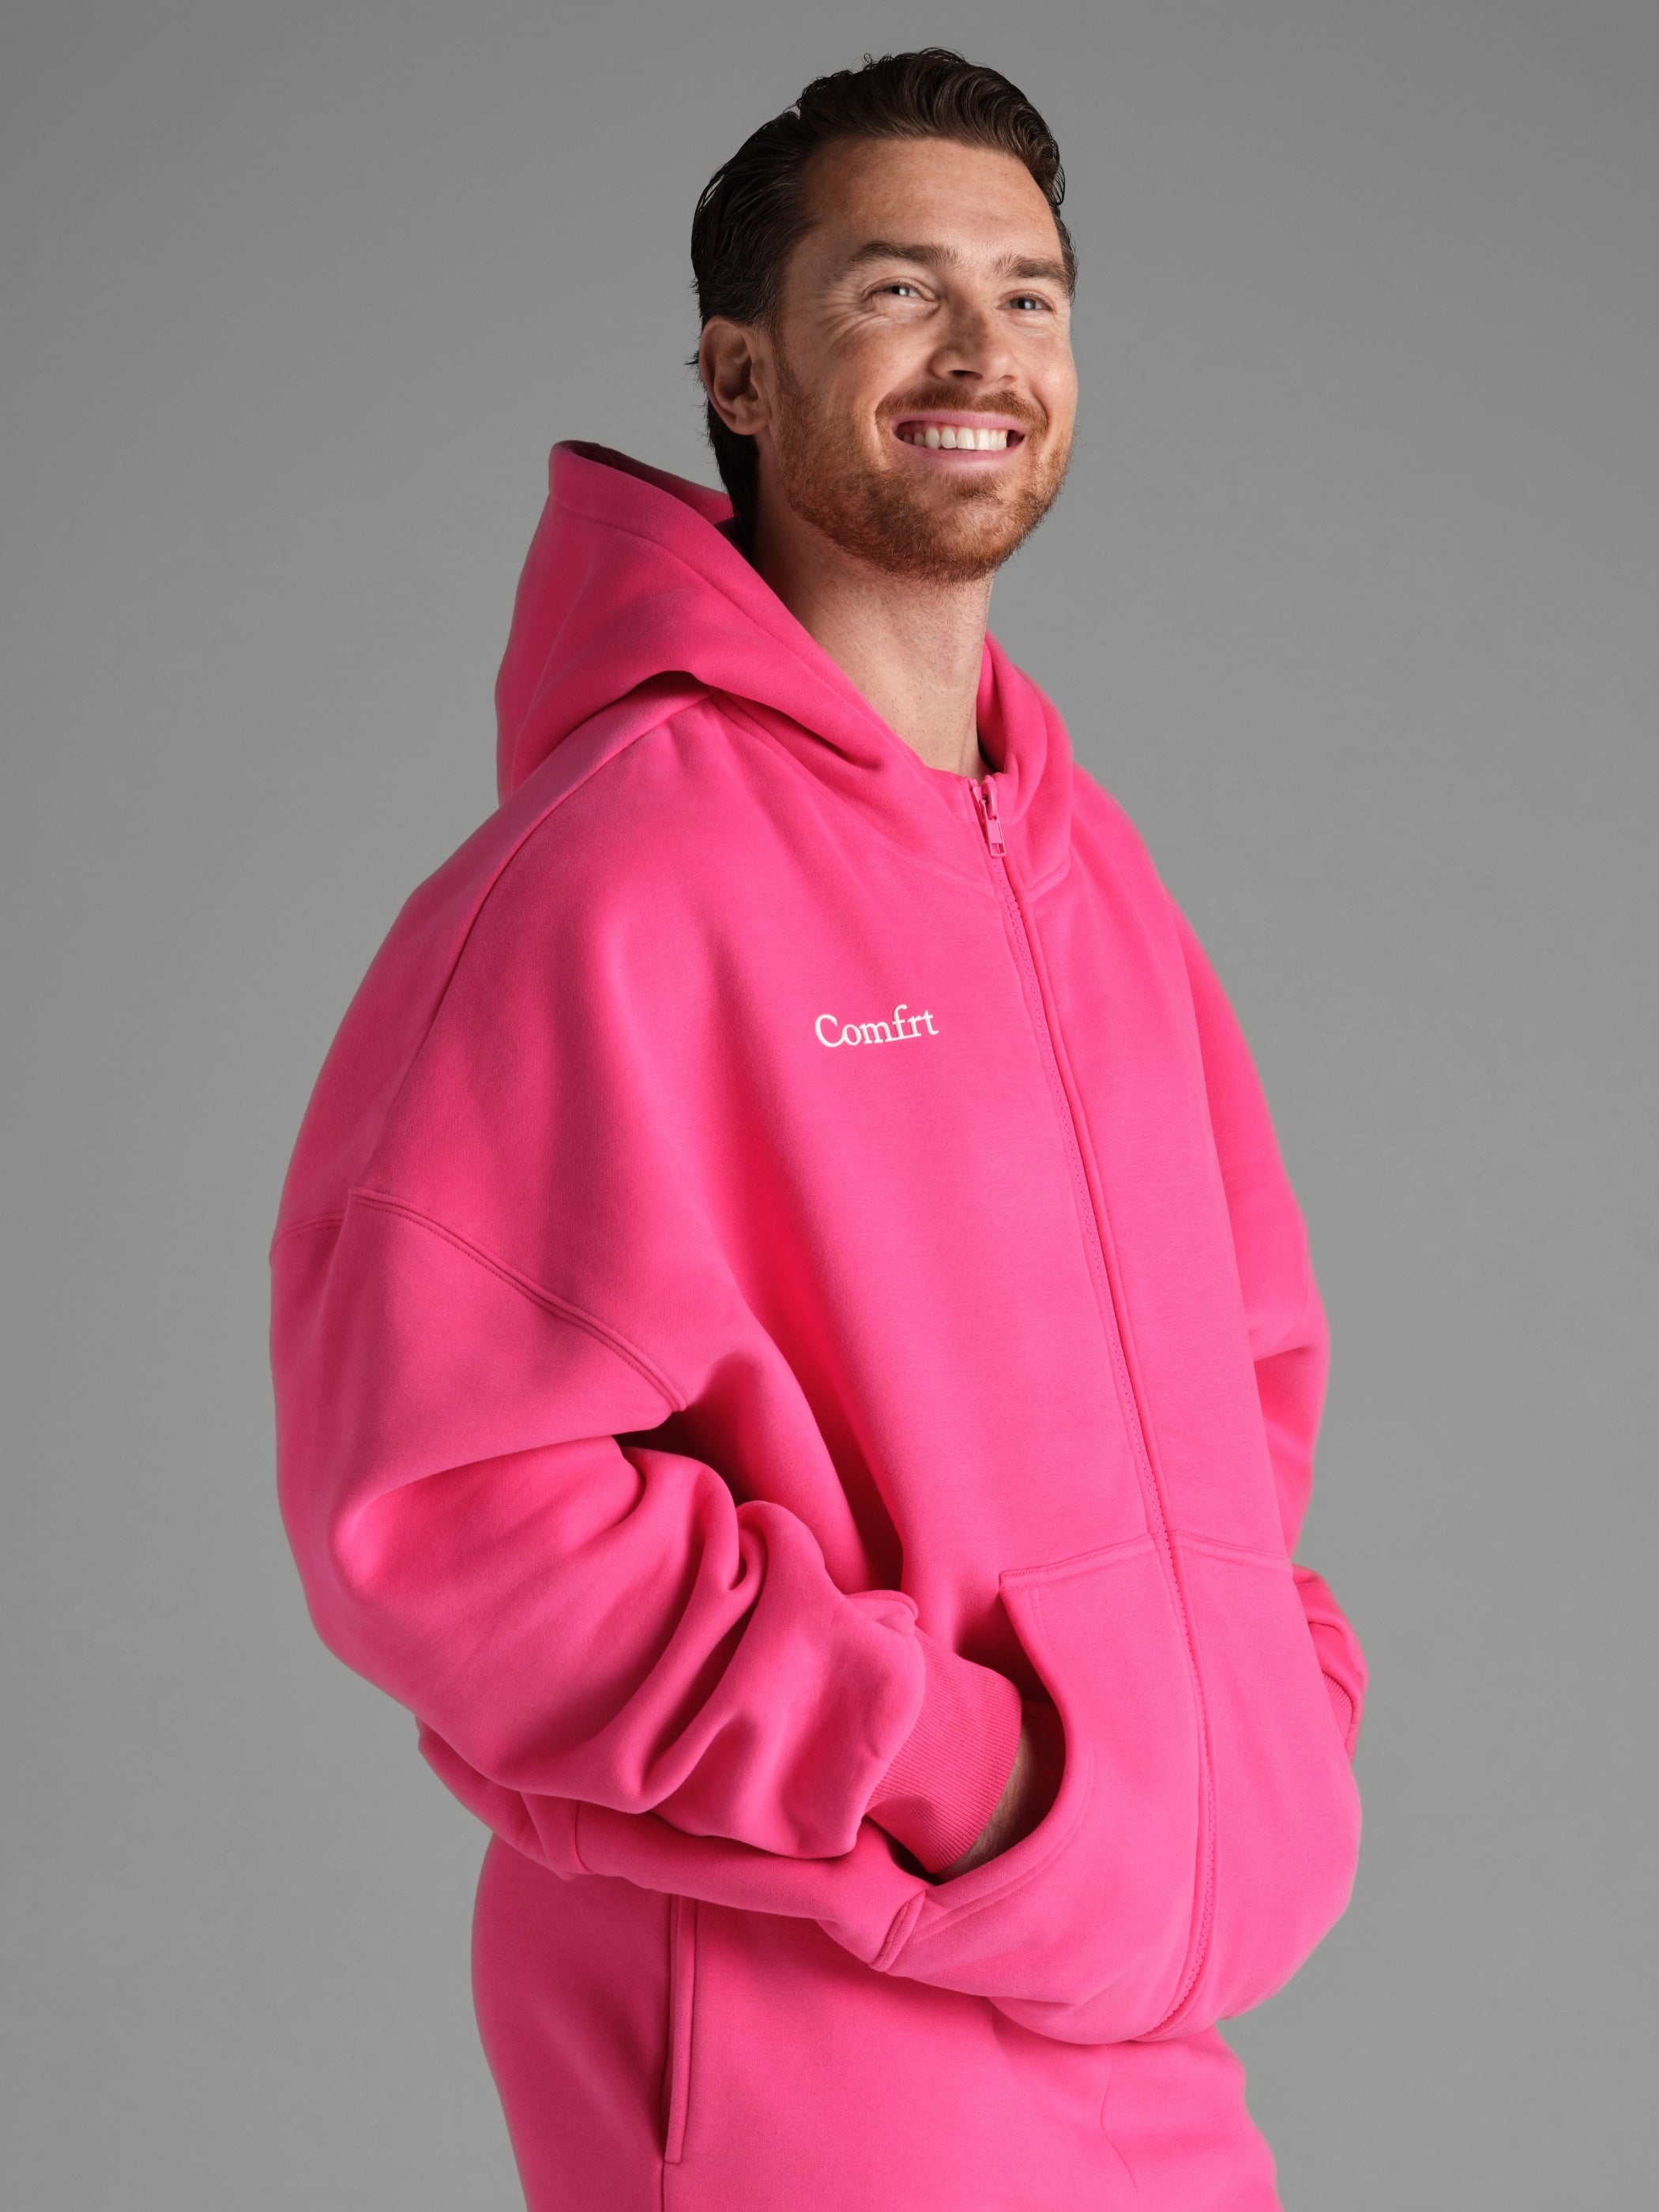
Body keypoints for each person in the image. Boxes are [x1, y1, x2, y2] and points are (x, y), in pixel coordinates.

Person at [269, 48, 1366, 2211]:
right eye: (896, 289)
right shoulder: (618, 873)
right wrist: (957, 1771)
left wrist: (1253, 1714)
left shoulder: (1093, 882)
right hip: (809, 2003)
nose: (980, 351)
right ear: (739, 376)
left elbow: (1241, 1376)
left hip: (1143, 2025)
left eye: (1028, 295)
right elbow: (441, 1505)